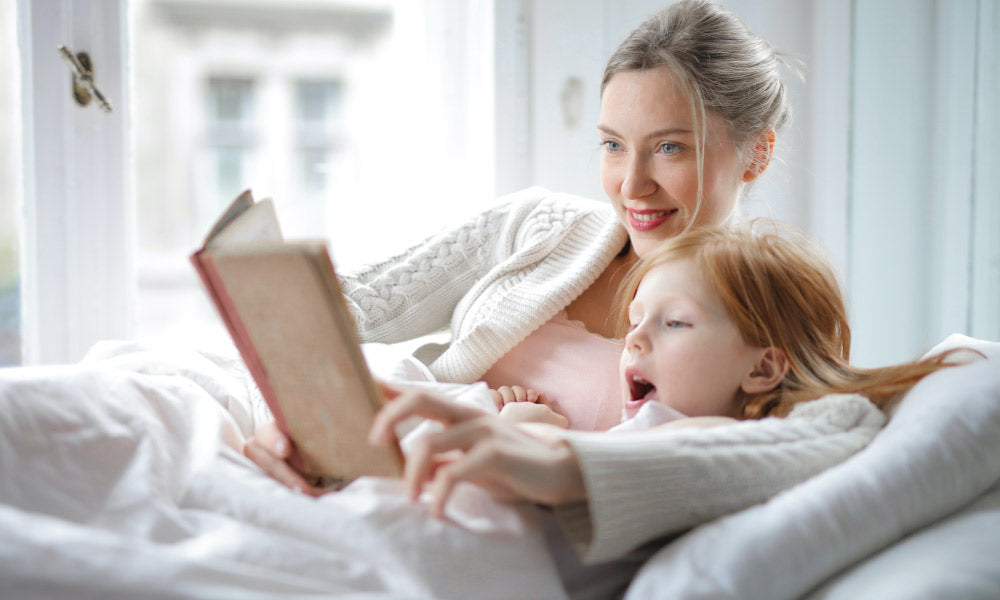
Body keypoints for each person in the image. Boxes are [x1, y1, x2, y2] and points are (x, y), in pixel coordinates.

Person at [245, 0, 793, 492]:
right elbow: (348, 315)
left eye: (669, 147)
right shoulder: (539, 226)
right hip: (380, 477)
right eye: (612, 145)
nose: (630, 185)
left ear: (757, 154)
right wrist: (296, 421)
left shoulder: (765, 324)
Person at [368, 223, 964, 581]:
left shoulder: (735, 438)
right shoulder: (657, 426)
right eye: (636, 319)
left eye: (674, 322)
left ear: (763, 366)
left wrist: (547, 451)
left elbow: (838, 424)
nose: (634, 338)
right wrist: (525, 428)